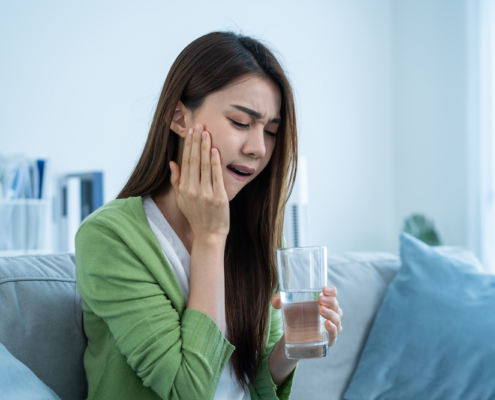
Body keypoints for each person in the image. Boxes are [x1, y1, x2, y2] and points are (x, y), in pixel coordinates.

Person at [75, 31, 343, 400]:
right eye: (240, 122)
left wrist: (291, 347)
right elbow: (189, 392)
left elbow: (251, 386)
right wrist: (210, 238)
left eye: (271, 131)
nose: (258, 148)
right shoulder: (110, 237)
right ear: (179, 118)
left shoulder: (258, 231)